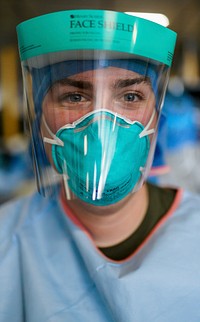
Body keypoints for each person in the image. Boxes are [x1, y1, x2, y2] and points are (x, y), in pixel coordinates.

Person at [1, 9, 200, 322]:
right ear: (40, 120)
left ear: (157, 118)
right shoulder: (7, 237)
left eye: (131, 96)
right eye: (75, 97)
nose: (101, 126)